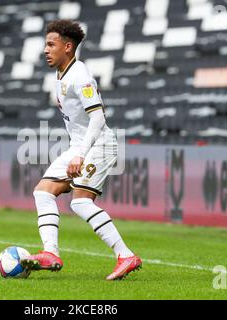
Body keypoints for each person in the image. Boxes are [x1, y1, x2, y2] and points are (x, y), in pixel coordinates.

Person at [20, 20, 142, 280]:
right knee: (43, 192)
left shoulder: (80, 76)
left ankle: (126, 255)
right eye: (45, 44)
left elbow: (98, 118)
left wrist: (80, 155)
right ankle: (50, 253)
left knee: (80, 202)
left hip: (99, 145)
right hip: (79, 146)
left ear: (67, 47)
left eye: (51, 44)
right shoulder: (61, 73)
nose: (45, 49)